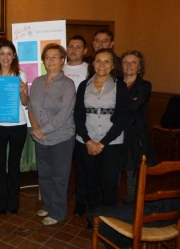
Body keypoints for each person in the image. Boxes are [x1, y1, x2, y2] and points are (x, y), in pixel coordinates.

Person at [74, 49, 128, 213]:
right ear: (93, 63)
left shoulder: (120, 86)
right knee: (91, 180)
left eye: (106, 61)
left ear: (113, 65)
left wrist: (102, 143)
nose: (102, 65)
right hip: (86, 140)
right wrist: (88, 141)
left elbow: (122, 118)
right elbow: (78, 115)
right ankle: (94, 216)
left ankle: (109, 218)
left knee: (110, 182)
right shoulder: (84, 85)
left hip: (111, 142)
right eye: (98, 61)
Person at [27, 43, 76, 226]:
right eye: (47, 57)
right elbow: (31, 106)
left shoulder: (68, 84)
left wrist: (43, 130)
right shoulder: (38, 81)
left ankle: (57, 212)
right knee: (44, 175)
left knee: (59, 177)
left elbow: (64, 114)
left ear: (62, 60)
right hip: (40, 137)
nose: (51, 61)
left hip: (61, 137)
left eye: (55, 57)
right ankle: (47, 205)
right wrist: (35, 128)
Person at [0, 40, 29, 215]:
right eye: (2, 53)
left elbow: (26, 102)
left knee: (14, 164)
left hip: (18, 125)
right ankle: (0, 202)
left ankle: (13, 203)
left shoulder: (21, 75)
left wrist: (22, 90)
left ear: (14, 56)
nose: (5, 57)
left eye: (9, 53)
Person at [121, 50, 156, 197]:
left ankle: (132, 208)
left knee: (132, 174)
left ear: (139, 66)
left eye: (133, 62)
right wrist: (129, 101)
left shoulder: (144, 85)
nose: (129, 65)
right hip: (114, 132)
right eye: (125, 62)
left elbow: (135, 107)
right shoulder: (114, 83)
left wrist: (119, 104)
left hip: (135, 134)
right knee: (112, 171)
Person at [63, 35, 89, 217]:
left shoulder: (91, 70)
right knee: (63, 164)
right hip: (61, 124)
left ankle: (81, 199)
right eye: (71, 46)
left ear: (85, 51)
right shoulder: (58, 66)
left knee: (81, 165)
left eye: (78, 47)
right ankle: (60, 197)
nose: (73, 50)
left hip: (83, 124)